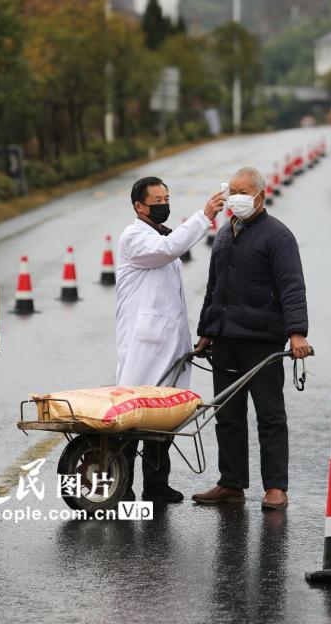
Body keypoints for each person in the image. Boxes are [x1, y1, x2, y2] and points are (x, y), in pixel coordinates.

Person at [192, 167, 310, 510]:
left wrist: (296, 332)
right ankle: (231, 483)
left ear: (261, 194)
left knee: (270, 415)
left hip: (261, 340)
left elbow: (292, 286)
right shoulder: (226, 233)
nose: (237, 197)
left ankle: (276, 487)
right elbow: (214, 287)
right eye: (233, 191)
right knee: (227, 414)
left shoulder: (277, 236)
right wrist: (206, 331)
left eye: (243, 191)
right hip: (226, 339)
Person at [116, 176, 224, 503]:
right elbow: (168, 249)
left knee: (162, 415)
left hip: (167, 341)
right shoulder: (135, 237)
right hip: (144, 344)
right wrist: (204, 215)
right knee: (133, 417)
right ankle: (123, 488)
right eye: (157, 200)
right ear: (139, 206)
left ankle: (157, 485)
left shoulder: (160, 233)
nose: (164, 204)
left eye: (167, 198)